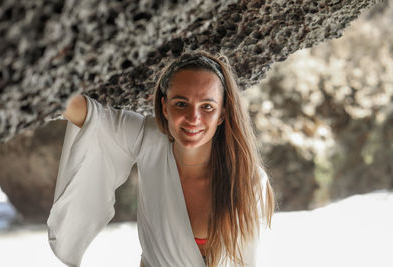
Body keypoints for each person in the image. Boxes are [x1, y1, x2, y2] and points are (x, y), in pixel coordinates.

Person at [47, 50, 275, 267]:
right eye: (181, 104)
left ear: (222, 114)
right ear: (165, 107)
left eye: (207, 106)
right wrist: (36, 72)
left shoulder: (249, 179)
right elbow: (88, 115)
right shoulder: (148, 140)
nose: (193, 118)